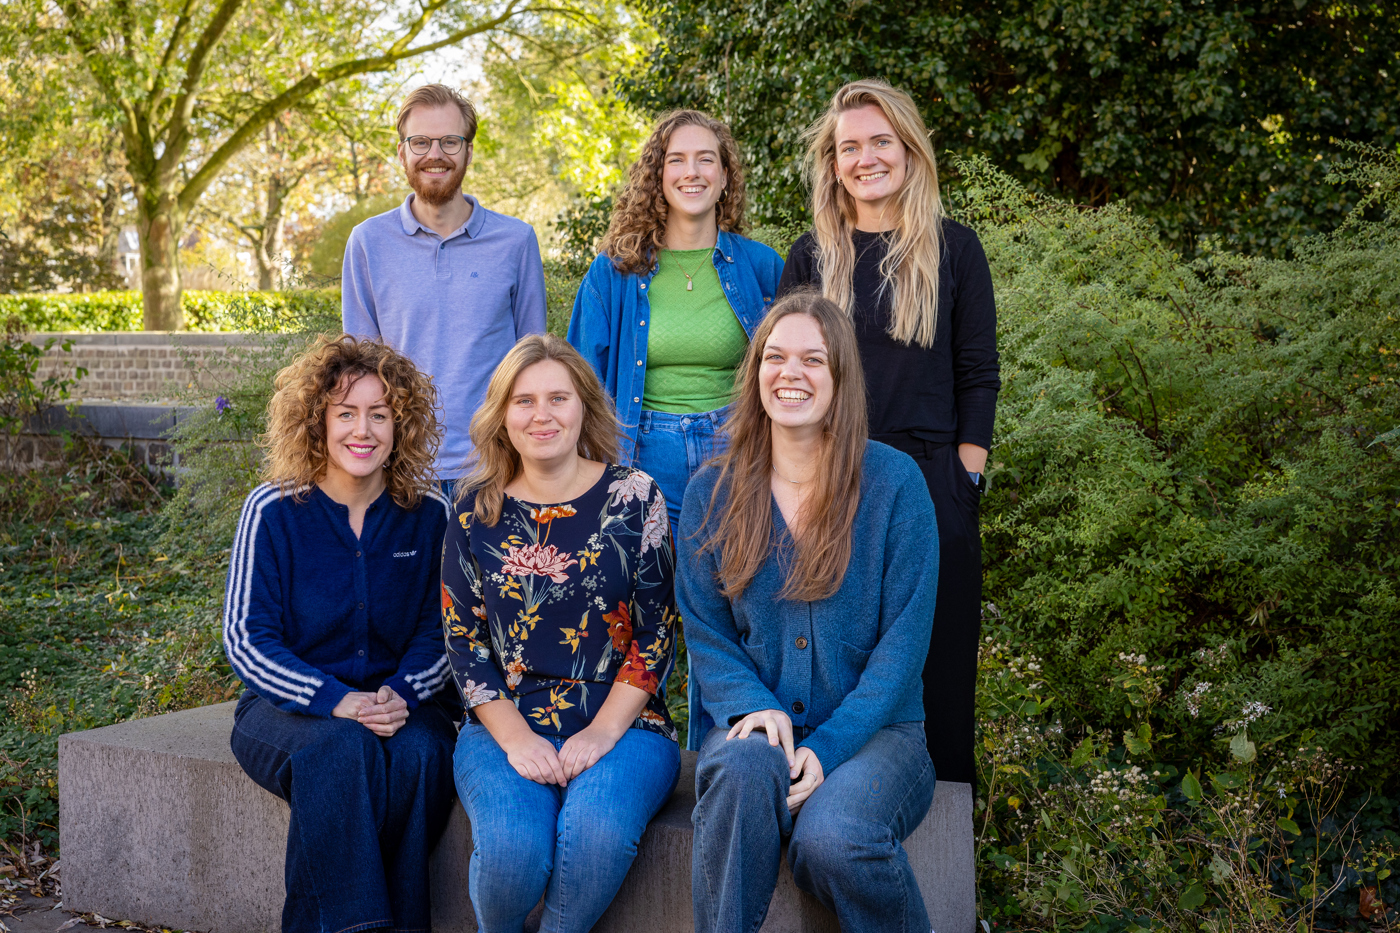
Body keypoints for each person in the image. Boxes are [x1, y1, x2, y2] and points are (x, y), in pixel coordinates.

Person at [678, 290, 941, 933]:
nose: (790, 373)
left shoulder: (894, 484)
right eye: (775, 357)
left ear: (840, 378)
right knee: (742, 767)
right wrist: (751, 703)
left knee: (833, 840)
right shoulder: (711, 491)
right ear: (756, 372)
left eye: (813, 360)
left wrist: (827, 747)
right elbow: (705, 630)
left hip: (880, 739)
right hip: (755, 729)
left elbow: (902, 650)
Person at [777, 78, 1000, 788]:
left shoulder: (955, 250)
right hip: (831, 483)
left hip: (934, 483)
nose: (866, 157)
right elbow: (788, 377)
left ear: (909, 150)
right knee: (844, 665)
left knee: (938, 670)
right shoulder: (811, 258)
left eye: (881, 142)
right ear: (833, 162)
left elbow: (979, 374)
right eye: (850, 147)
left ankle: (947, 861)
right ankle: (834, 817)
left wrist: (966, 477)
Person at [442, 333, 681, 933]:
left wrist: (602, 732)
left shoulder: (636, 498)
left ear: (585, 408)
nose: (541, 415)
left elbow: (656, 635)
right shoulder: (473, 508)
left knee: (596, 835)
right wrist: (517, 739)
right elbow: (464, 644)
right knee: (512, 857)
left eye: (558, 398)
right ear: (501, 415)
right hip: (505, 721)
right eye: (523, 401)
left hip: (626, 725)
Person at [225, 335, 456, 933]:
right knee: (338, 748)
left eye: (380, 415)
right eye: (346, 413)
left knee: (420, 755)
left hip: (401, 706)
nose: (364, 430)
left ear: (400, 426)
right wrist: (337, 701)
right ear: (317, 422)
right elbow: (248, 639)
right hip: (287, 710)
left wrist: (399, 694)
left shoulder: (430, 513)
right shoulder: (272, 509)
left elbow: (446, 632)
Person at [567, 109, 782, 749]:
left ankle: (718, 764)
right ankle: (637, 754)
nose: (692, 172)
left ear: (726, 175)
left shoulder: (760, 267)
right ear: (656, 176)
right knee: (637, 612)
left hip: (737, 453)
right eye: (676, 160)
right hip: (641, 452)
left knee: (731, 614)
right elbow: (580, 384)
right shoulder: (614, 272)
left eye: (706, 159)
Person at [343, 83, 547, 487]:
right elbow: (359, 373)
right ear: (402, 152)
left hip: (496, 471)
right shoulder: (368, 243)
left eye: (450, 142)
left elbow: (533, 363)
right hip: (401, 472)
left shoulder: (516, 242)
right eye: (420, 142)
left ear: (469, 151)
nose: (434, 154)